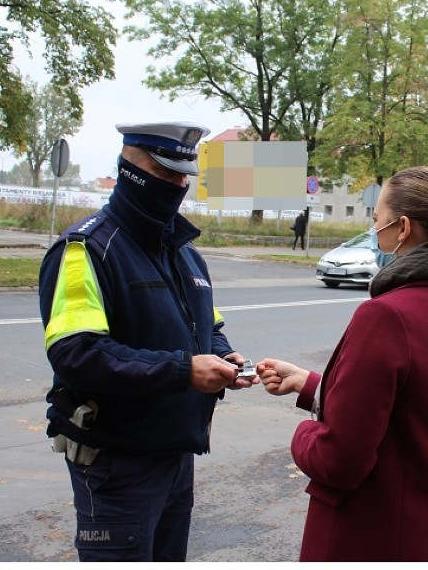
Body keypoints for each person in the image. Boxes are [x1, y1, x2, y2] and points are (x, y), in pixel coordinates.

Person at [38, 121, 258, 562]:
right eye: (166, 173)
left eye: (184, 176)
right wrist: (183, 371)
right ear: (129, 169)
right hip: (117, 463)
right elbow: (76, 354)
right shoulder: (87, 249)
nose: (178, 185)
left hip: (176, 455)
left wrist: (222, 357)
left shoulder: (184, 252)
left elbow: (207, 328)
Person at [257, 166, 428, 562]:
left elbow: (340, 460)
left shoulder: (386, 316)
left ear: (403, 228)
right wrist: (309, 384)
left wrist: (303, 435)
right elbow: (413, 413)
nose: (373, 227)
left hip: (374, 538)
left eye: (377, 219)